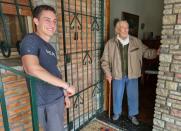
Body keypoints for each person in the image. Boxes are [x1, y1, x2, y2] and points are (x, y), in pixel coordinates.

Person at [20, 5, 75, 131]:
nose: (52, 24)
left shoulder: (50, 47)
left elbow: (55, 72)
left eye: (54, 21)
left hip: (57, 98)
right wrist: (66, 85)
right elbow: (31, 69)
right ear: (36, 21)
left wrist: (64, 93)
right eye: (47, 20)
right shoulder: (30, 40)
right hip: (46, 102)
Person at [101, 20, 159, 125]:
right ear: (118, 29)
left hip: (133, 75)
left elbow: (146, 52)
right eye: (123, 28)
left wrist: (156, 52)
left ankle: (132, 115)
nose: (126, 30)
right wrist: (108, 73)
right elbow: (104, 61)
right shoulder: (110, 43)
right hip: (117, 75)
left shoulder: (136, 41)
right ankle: (117, 113)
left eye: (127, 27)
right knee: (117, 95)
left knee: (133, 96)